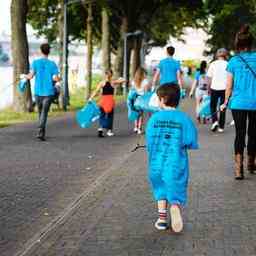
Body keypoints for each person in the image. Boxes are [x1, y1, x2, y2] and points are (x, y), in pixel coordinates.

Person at [145, 84, 198, 232]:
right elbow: (190, 141)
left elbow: (149, 141)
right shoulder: (183, 118)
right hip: (176, 161)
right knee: (175, 185)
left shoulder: (154, 118)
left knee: (159, 186)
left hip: (156, 162)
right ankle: (174, 206)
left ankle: (162, 219)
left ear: (162, 99)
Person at [221, 25, 256, 180]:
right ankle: (251, 164)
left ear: (238, 44)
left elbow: (229, 86)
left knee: (239, 134)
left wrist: (225, 102)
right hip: (255, 102)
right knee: (254, 134)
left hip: (238, 103)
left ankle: (238, 169)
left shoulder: (233, 62)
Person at [25, 43, 60, 141]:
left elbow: (30, 76)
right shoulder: (52, 64)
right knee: (44, 112)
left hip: (38, 92)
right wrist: (58, 78)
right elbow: (56, 79)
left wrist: (24, 77)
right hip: (48, 92)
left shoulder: (35, 63)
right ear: (49, 51)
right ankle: (41, 131)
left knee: (41, 112)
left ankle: (40, 130)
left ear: (41, 51)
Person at [89, 69, 124, 137]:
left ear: (105, 75)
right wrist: (119, 78)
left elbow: (96, 91)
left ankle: (100, 128)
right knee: (110, 116)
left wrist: (91, 98)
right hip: (110, 100)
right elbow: (123, 80)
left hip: (103, 100)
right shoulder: (113, 82)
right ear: (112, 75)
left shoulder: (102, 83)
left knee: (102, 114)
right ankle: (109, 131)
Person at [207, 48, 228, 132]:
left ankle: (215, 121)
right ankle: (221, 127)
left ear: (217, 55)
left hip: (214, 88)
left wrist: (208, 88)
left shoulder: (213, 64)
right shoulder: (228, 64)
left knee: (212, 106)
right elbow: (230, 78)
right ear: (225, 55)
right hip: (224, 88)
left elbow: (209, 78)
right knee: (223, 107)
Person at [131, 67, 151, 134]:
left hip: (135, 98)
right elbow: (146, 92)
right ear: (143, 74)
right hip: (142, 99)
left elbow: (132, 90)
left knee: (136, 113)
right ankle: (139, 128)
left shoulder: (133, 81)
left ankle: (135, 127)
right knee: (141, 114)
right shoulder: (145, 81)